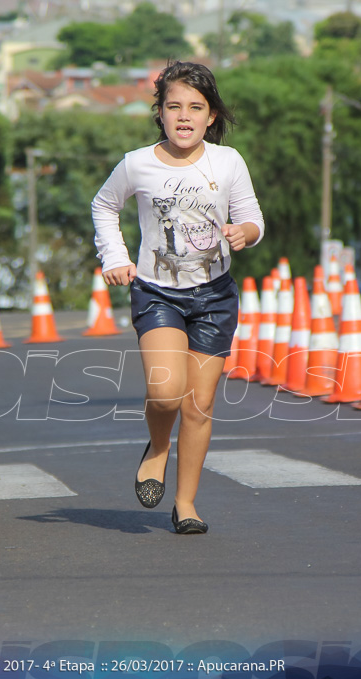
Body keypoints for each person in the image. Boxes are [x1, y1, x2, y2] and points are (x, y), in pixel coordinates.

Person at [92, 61, 265, 534]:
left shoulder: (228, 162)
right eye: (174, 107)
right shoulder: (137, 163)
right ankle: (158, 447)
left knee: (199, 405)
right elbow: (105, 206)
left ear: (211, 116)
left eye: (196, 107)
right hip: (157, 292)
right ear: (161, 113)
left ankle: (186, 503)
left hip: (214, 296)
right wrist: (115, 256)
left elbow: (253, 217)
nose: (184, 116)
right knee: (166, 394)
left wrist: (244, 233)